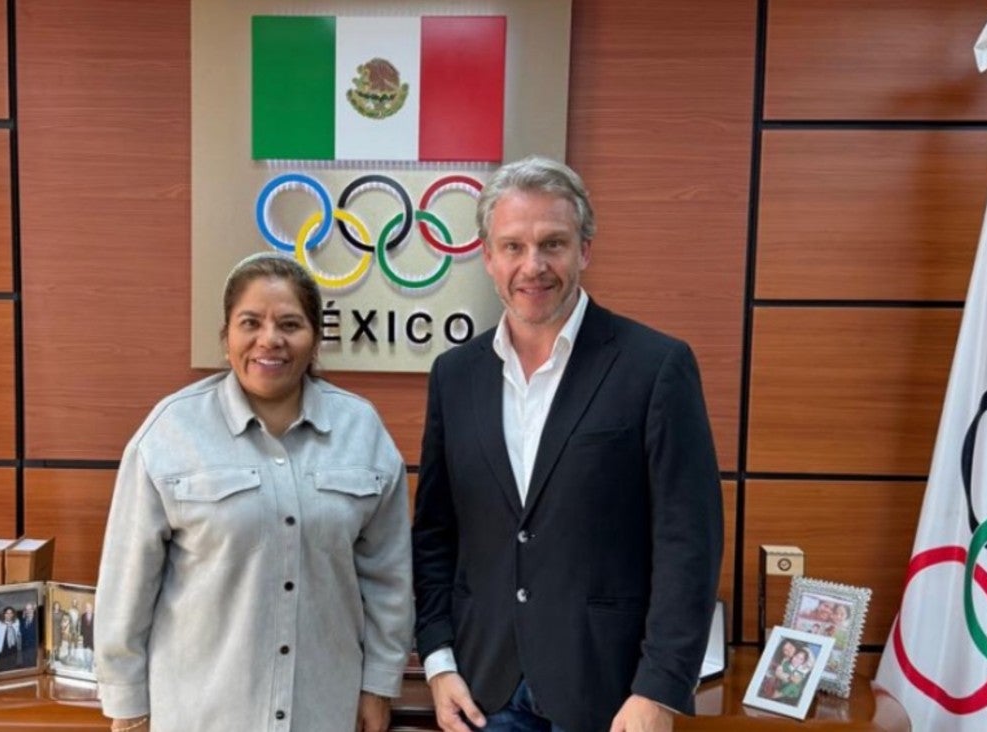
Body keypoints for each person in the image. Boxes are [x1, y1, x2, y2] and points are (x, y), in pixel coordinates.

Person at [412, 156, 723, 732]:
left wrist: (659, 690)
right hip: (484, 689)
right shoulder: (455, 376)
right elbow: (435, 533)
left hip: (610, 695)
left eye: (552, 244)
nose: (533, 266)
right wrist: (437, 661)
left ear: (584, 251)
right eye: (513, 246)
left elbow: (689, 542)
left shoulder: (655, 366)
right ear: (487, 256)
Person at [95, 252, 413, 732]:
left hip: (324, 710)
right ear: (226, 337)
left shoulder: (361, 430)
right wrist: (127, 705)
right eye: (251, 323)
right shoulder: (170, 433)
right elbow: (127, 583)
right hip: (200, 715)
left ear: (316, 338)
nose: (270, 340)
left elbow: (388, 576)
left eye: (290, 324)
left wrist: (379, 683)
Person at [0, 606, 23, 671]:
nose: (9, 615)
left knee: (12, 666)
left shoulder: (16, 622)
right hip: (3, 648)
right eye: (7, 613)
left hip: (13, 648)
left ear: (13, 614)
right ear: (4, 614)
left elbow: (19, 633)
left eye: (10, 613)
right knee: (2, 667)